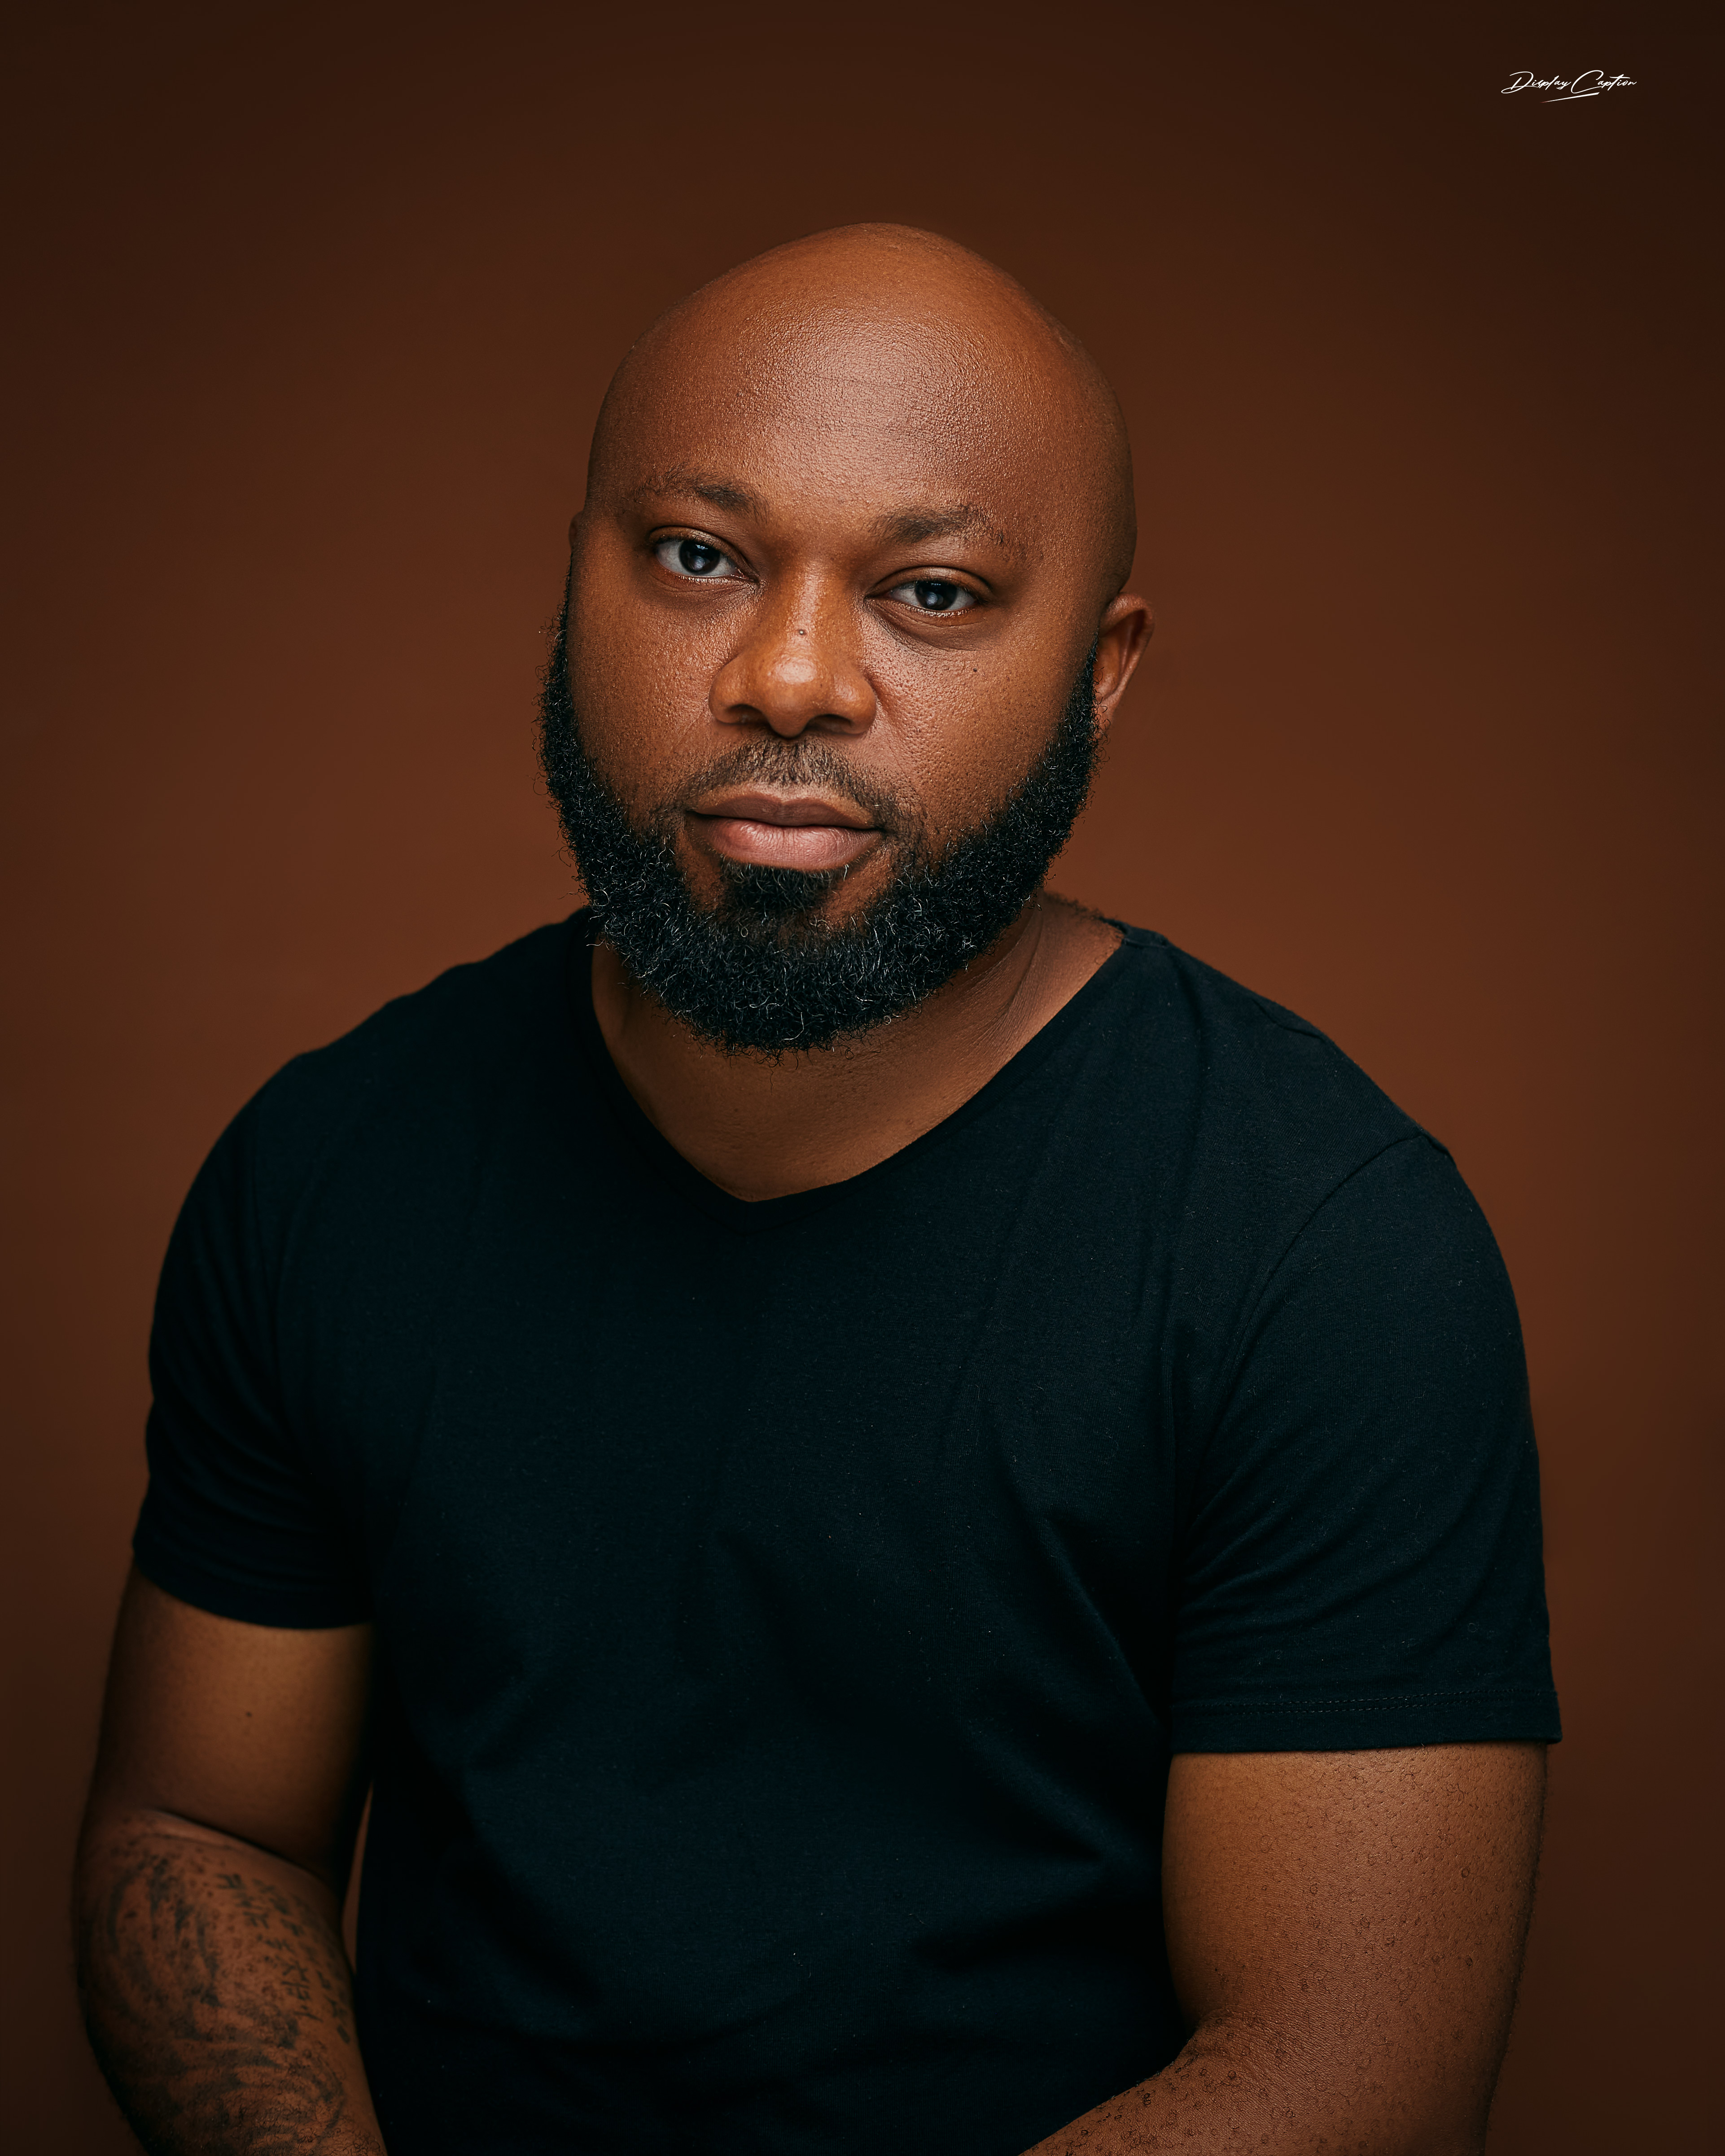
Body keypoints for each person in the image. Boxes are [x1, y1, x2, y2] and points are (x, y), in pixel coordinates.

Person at [75, 224, 1559, 2156]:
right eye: (698, 557)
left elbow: (1350, 2066)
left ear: (1099, 670)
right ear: (577, 575)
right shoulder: (332, 1165)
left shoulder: (1327, 1252)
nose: (786, 677)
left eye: (931, 592)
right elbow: (201, 1828)